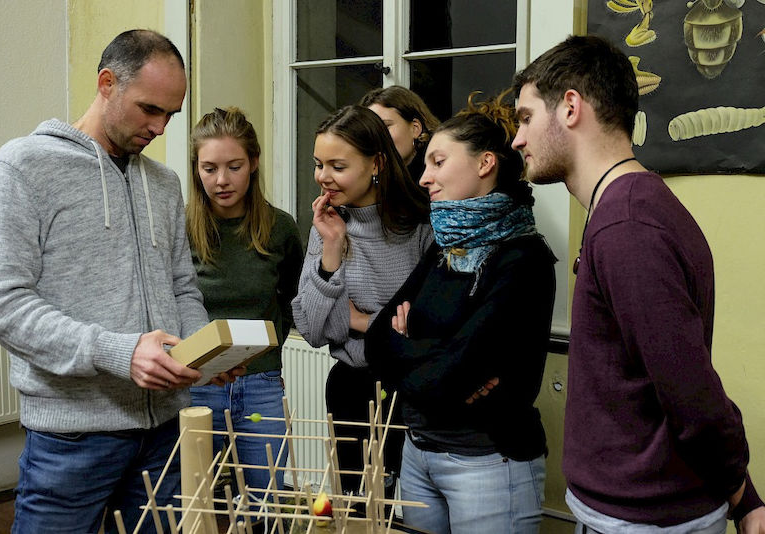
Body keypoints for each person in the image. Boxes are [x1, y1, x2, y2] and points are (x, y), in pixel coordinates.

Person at [0, 30, 241, 534]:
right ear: (106, 83)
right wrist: (120, 352)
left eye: (170, 114)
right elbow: (3, 305)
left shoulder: (163, 185)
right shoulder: (23, 167)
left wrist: (200, 352)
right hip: (71, 439)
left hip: (164, 434)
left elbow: (182, 287)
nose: (160, 127)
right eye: (149, 109)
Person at [511, 34, 765, 533]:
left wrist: (743, 496)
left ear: (569, 107)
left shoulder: (628, 225)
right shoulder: (624, 209)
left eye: (524, 117)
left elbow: (691, 394)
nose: (517, 139)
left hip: (643, 521)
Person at [364, 91, 555, 534]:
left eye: (438, 162)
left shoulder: (523, 258)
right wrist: (444, 361)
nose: (424, 177)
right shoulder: (444, 248)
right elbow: (377, 340)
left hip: (488, 463)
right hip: (417, 455)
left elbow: (452, 373)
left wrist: (413, 350)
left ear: (485, 163)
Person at [291, 105, 433, 499]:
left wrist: (359, 321)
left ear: (377, 164)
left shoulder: (422, 226)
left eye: (337, 165)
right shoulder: (327, 226)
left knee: (418, 515)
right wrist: (332, 248)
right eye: (319, 164)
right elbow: (313, 329)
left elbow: (427, 328)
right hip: (350, 389)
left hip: (413, 390)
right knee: (358, 511)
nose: (323, 177)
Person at [186, 106, 303, 497]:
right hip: (197, 383)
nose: (221, 180)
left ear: (253, 163)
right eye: (209, 168)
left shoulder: (280, 228)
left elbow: (292, 297)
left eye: (234, 166)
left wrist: (268, 350)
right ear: (196, 169)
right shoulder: (180, 227)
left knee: (263, 501)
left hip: (261, 382)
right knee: (194, 503)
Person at [360, 85, 440, 183]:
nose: (377, 136)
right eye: (370, 130)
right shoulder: (372, 176)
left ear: (415, 128)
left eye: (385, 127)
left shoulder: (439, 175)